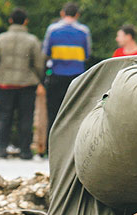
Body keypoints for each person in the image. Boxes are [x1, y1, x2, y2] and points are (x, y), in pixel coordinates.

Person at [0, 8, 45, 160]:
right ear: (26, 21)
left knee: (4, 117)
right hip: (26, 85)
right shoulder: (32, 40)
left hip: (4, 84)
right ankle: (25, 151)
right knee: (25, 118)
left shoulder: (0, 38)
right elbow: (39, 64)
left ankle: (1, 149)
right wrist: (39, 79)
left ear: (10, 21)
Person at [42, 2, 91, 152]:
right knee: (77, 112)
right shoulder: (84, 31)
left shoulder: (53, 29)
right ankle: (73, 148)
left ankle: (52, 148)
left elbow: (46, 52)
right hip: (76, 76)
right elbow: (87, 54)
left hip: (56, 75)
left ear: (62, 13)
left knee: (54, 112)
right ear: (77, 15)